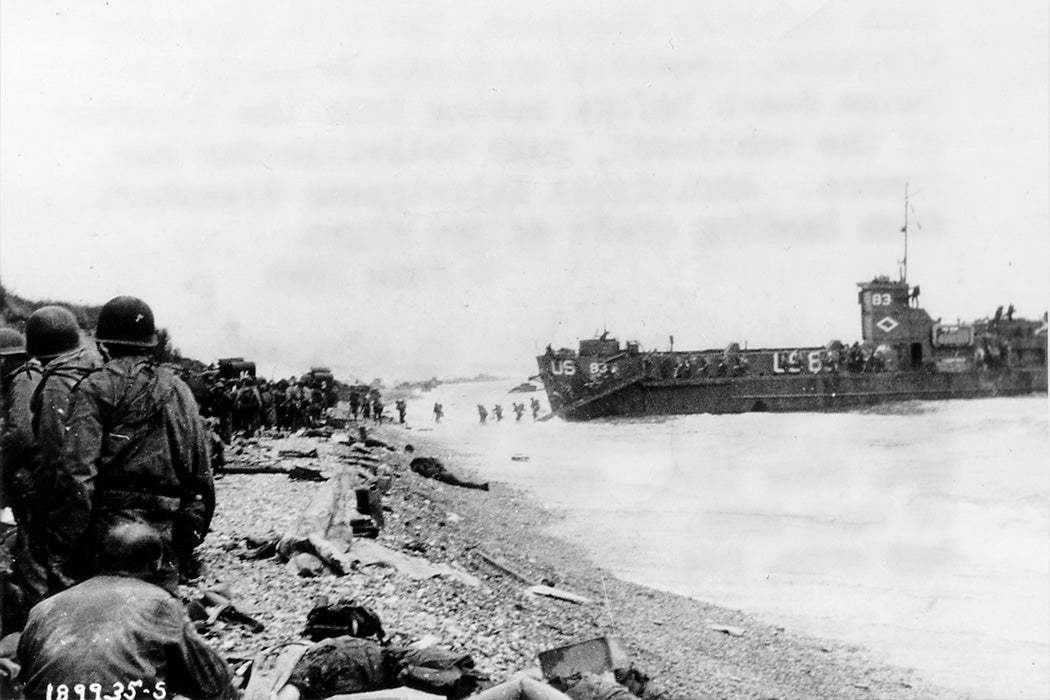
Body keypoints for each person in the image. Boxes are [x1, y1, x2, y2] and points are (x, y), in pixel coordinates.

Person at [47, 296, 215, 593]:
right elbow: (202, 475)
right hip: (166, 527)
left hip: (109, 532)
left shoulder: (95, 387)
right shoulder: (180, 390)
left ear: (103, 345)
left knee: (106, 616)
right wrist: (188, 539)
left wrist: (66, 547)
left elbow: (76, 473)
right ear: (151, 344)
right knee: (159, 618)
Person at [18, 522, 236, 700]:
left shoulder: (43, 608)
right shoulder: (160, 603)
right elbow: (212, 677)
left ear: (98, 560)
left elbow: (28, 674)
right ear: (154, 567)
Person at [13, 307, 101, 615]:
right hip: (100, 496)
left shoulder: (56, 383)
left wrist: (38, 505)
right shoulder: (95, 367)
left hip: (69, 498)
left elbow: (52, 456)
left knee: (42, 566)